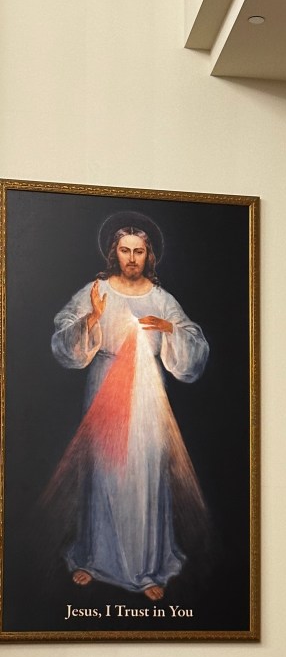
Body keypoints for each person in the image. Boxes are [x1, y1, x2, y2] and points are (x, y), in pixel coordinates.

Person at [45, 213, 209, 601]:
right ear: (114, 252)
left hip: (148, 391)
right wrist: (93, 317)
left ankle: (147, 568)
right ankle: (92, 558)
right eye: (124, 251)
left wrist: (168, 329)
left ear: (148, 254)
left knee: (147, 474)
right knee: (103, 470)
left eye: (138, 251)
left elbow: (194, 343)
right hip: (105, 386)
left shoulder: (161, 298)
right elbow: (63, 333)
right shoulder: (97, 289)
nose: (131, 259)